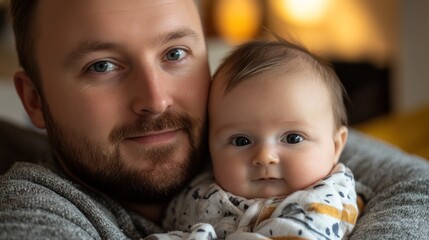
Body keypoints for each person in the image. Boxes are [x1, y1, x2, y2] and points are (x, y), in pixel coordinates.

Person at [0, 0, 429, 239]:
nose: (156, 100)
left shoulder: (246, 132)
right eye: (102, 66)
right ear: (35, 101)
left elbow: (419, 185)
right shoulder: (36, 207)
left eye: (174, 54)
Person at [154, 37, 358, 240]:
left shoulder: (323, 203)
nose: (265, 156)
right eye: (241, 141)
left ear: (336, 145)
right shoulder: (201, 182)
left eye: (293, 138)